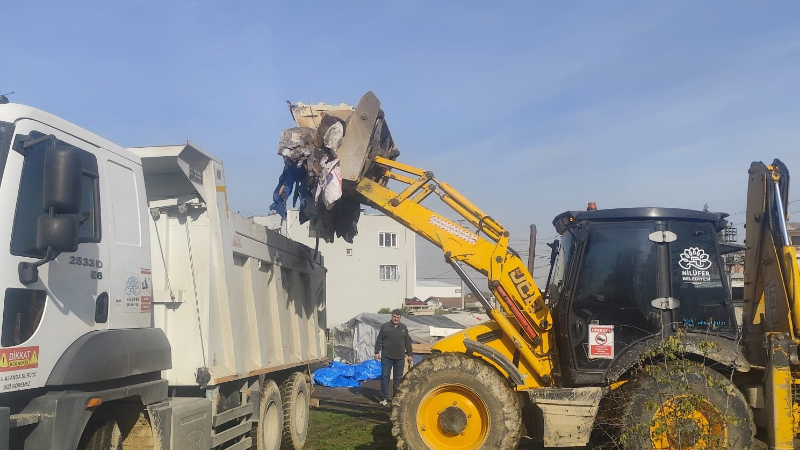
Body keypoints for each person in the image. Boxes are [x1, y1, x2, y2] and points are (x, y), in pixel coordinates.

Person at [374, 309, 413, 406]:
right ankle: (384, 398)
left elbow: (408, 342)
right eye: (394, 317)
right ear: (392, 316)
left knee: (398, 379)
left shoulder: (403, 328)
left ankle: (396, 398)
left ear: (400, 318)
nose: (396, 319)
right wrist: (376, 352)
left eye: (398, 317)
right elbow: (379, 340)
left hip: (399, 357)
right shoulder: (385, 327)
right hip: (387, 356)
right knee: (385, 377)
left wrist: (410, 354)